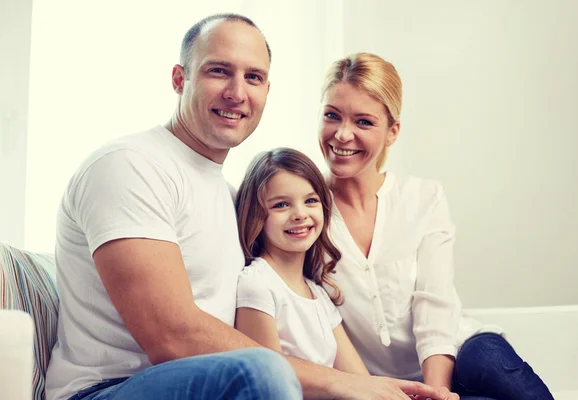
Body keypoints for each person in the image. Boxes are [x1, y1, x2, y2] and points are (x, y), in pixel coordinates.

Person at [44, 12, 442, 400]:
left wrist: (368, 383)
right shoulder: (129, 165)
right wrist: (340, 383)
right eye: (218, 71)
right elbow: (171, 337)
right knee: (266, 369)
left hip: (214, 382)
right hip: (109, 388)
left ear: (267, 91)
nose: (237, 92)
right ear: (179, 79)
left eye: (253, 77)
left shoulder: (229, 193)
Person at [317, 52, 555, 400]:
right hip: (382, 385)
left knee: (495, 365)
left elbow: (435, 306)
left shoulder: (423, 198)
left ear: (391, 132)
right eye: (331, 116)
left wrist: (435, 393)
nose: (342, 134)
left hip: (455, 357)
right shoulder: (304, 212)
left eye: (364, 122)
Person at [234, 148, 371, 374]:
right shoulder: (257, 285)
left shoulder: (318, 294)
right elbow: (269, 383)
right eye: (281, 204)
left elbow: (361, 381)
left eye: (310, 200)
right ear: (256, 215)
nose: (300, 214)